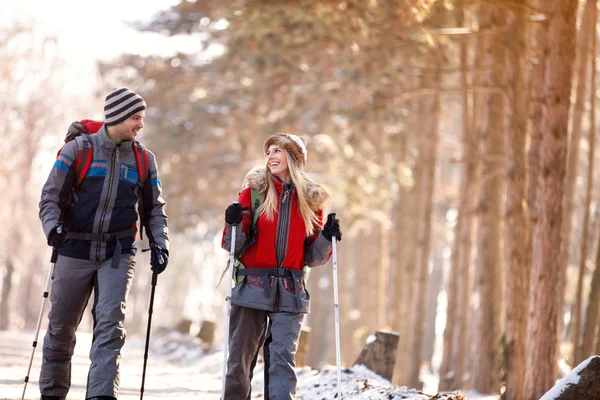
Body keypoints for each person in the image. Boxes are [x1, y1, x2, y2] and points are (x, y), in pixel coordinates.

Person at [38, 88, 169, 400]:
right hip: (73, 249)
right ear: (118, 117)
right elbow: (50, 197)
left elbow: (155, 209)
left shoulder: (143, 160)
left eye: (142, 118)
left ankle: (101, 395)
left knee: (110, 328)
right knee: (61, 329)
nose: (141, 124)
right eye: (136, 117)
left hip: (117, 254)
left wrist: (161, 244)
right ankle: (53, 393)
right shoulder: (77, 151)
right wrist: (51, 228)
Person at [222, 133, 342, 399]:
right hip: (251, 287)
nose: (271, 156)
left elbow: (313, 257)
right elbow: (232, 245)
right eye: (269, 152)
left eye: (278, 151)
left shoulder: (312, 200)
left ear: (294, 158)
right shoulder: (253, 192)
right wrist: (232, 223)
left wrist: (326, 237)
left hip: (291, 291)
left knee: (282, 362)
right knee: (239, 361)